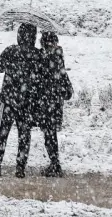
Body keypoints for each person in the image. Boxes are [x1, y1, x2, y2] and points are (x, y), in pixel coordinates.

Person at [0, 23, 42, 178]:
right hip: (27, 103)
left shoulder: (11, 50)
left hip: (8, 100)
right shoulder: (37, 55)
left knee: (2, 134)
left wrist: (11, 65)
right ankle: (20, 168)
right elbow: (40, 78)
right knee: (24, 135)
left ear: (19, 35)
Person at [33, 31, 73, 177]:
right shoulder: (57, 56)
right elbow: (63, 76)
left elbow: (41, 78)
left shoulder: (49, 58)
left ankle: (55, 164)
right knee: (50, 134)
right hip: (55, 102)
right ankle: (55, 163)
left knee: (49, 134)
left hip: (47, 101)